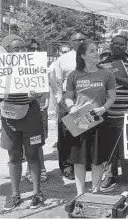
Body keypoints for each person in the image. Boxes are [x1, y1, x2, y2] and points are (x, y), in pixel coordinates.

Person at [64, 41, 116, 195]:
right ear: (83, 55)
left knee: (97, 159)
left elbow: (112, 97)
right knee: (78, 159)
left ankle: (95, 191)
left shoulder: (107, 74)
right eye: (92, 51)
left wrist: (104, 108)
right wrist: (72, 107)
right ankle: (80, 193)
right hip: (79, 119)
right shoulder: (73, 75)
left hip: (98, 118)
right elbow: (68, 97)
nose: (97, 53)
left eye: (96, 50)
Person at [0, 35, 45, 210]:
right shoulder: (0, 68)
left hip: (30, 114)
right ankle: (14, 194)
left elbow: (41, 91)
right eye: (15, 49)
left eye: (22, 48)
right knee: (14, 156)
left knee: (33, 154)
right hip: (9, 116)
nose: (20, 52)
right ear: (7, 50)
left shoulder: (33, 66)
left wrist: (37, 94)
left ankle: (36, 193)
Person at [99, 35, 128, 190]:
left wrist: (116, 77)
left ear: (126, 46)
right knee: (109, 149)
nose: (117, 46)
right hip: (107, 113)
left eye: (121, 44)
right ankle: (110, 176)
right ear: (111, 45)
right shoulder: (103, 63)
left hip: (126, 114)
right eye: (115, 44)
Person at [52, 31, 86, 180]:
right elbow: (56, 81)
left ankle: (82, 162)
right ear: (71, 42)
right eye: (76, 40)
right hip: (67, 98)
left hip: (85, 98)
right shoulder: (63, 59)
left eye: (82, 39)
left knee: (83, 131)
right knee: (66, 134)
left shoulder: (91, 56)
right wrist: (61, 100)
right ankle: (67, 166)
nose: (80, 42)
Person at [24, 39, 48, 183]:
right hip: (20, 109)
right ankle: (29, 169)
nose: (35, 52)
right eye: (31, 49)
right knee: (23, 143)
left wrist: (45, 99)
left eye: (37, 49)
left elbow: (47, 86)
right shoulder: (18, 66)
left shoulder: (41, 66)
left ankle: (40, 169)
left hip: (38, 109)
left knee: (38, 141)